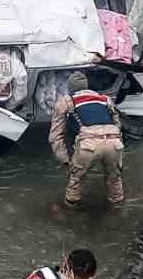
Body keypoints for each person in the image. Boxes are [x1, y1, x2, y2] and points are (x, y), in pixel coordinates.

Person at [48, 72, 125, 207]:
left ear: (70, 88)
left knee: (75, 182)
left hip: (88, 145)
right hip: (114, 143)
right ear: (86, 86)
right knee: (115, 182)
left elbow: (55, 136)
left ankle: (70, 214)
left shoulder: (65, 102)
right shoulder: (104, 99)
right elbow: (117, 125)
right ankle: (118, 210)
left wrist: (64, 160)